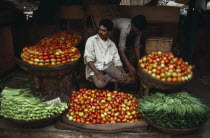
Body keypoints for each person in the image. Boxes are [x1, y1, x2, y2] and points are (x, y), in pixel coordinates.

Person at [84, 19, 130, 88]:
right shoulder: (91, 40)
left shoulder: (112, 44)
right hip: (95, 67)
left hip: (108, 66)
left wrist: (123, 71)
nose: (100, 32)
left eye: (104, 30)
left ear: (109, 32)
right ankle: (111, 75)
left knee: (126, 80)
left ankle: (110, 75)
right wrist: (98, 73)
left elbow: (116, 61)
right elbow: (88, 59)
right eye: (100, 29)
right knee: (100, 84)